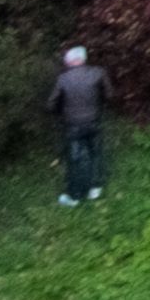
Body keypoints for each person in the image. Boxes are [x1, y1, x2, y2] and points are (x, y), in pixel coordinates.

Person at [51, 43, 109, 205]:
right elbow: (109, 94)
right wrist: (99, 105)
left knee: (74, 159)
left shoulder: (63, 79)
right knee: (95, 153)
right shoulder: (98, 73)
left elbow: (51, 103)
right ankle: (94, 188)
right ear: (83, 59)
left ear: (71, 61)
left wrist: (60, 112)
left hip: (73, 126)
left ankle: (74, 196)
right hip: (93, 122)